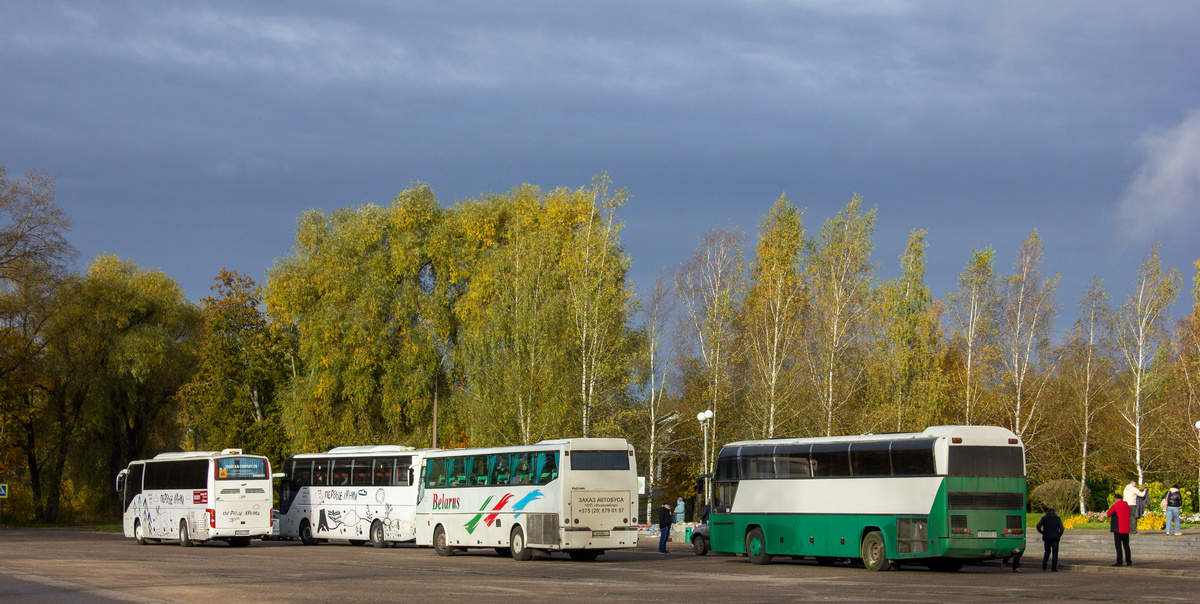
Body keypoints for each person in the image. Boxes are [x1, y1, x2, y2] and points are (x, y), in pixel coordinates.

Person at [1036, 507, 1065, 571]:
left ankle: (1044, 563)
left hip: (1047, 537)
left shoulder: (1044, 518)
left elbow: (1038, 526)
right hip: (1055, 538)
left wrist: (1042, 532)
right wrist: (1059, 535)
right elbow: (1062, 528)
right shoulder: (1057, 519)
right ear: (1054, 512)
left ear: (1048, 512)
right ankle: (1053, 568)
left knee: (1047, 551)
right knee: (1055, 553)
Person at [1106, 498, 1132, 566]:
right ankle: (1129, 561)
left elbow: (1109, 514)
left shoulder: (1115, 506)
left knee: (1118, 547)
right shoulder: (1127, 507)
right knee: (1126, 546)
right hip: (1126, 529)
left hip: (1118, 529)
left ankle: (1119, 562)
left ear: (1116, 499)